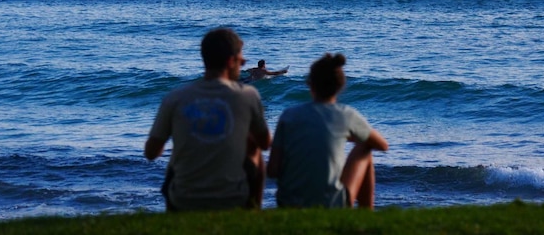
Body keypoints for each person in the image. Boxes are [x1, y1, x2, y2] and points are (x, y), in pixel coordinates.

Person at [144, 28, 272, 211]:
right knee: (255, 152)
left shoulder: (175, 98)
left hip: (182, 199)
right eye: (240, 58)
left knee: (178, 153)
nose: (243, 62)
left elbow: (151, 153)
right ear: (230, 61)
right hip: (233, 198)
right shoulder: (248, 95)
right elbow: (266, 143)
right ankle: (252, 212)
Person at [267, 53, 389, 209]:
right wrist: (348, 135)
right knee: (364, 148)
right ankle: (366, 216)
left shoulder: (288, 116)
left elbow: (272, 170)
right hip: (331, 204)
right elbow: (383, 145)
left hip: (288, 204)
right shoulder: (346, 115)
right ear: (341, 86)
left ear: (310, 84)